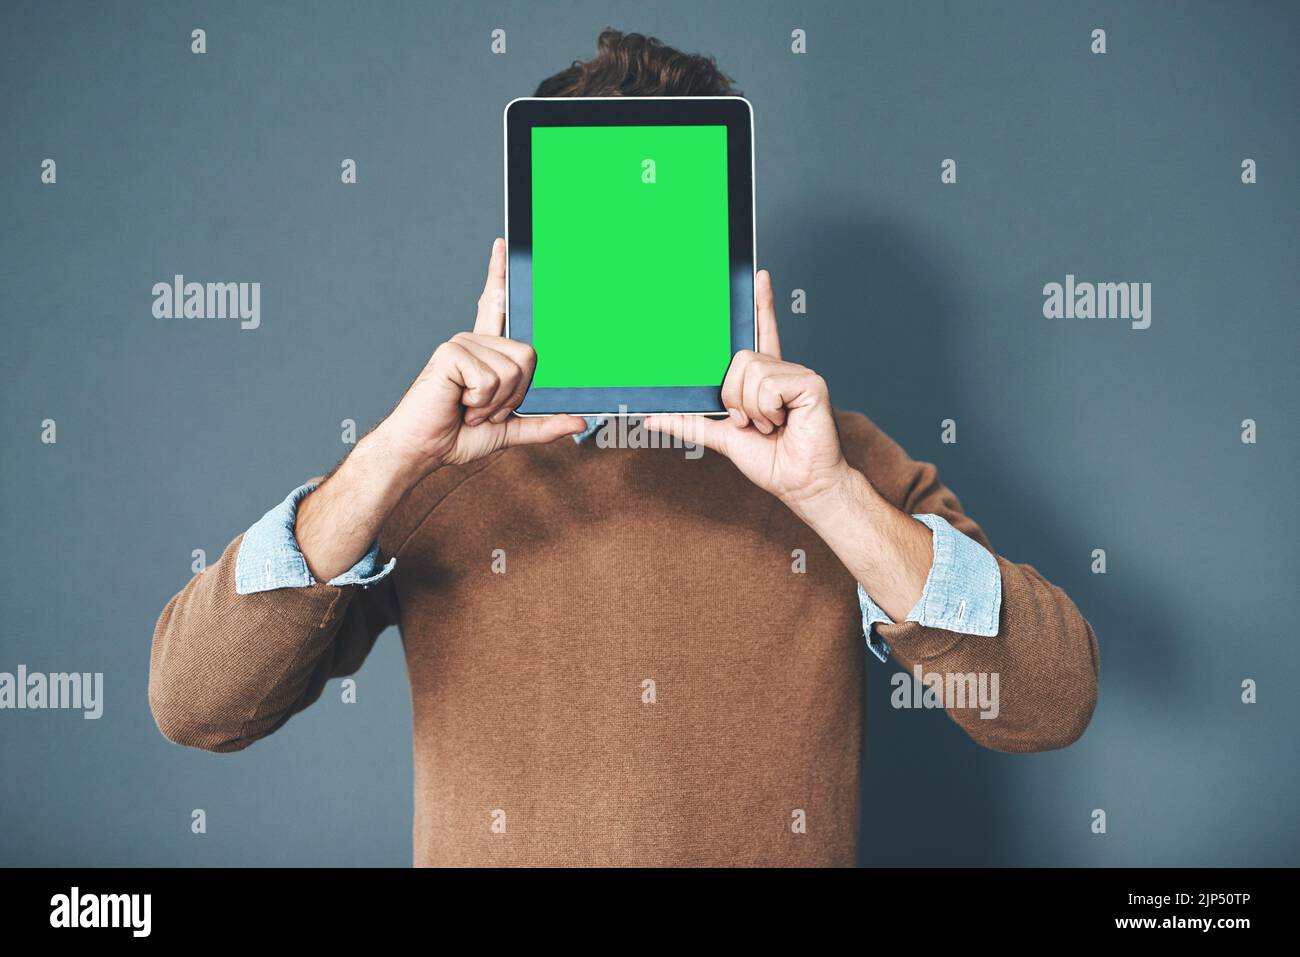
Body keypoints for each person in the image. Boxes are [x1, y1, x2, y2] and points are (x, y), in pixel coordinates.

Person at [149, 29, 1099, 867]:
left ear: (727, 239)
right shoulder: (431, 467)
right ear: (526, 251)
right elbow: (196, 702)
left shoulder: (841, 460)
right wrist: (393, 453)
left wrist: (828, 497)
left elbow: (1051, 701)